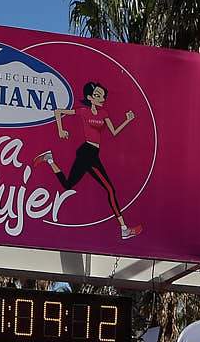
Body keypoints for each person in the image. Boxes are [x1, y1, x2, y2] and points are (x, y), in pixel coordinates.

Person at [43, 81, 141, 240]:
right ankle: (123, 228)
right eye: (97, 95)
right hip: (87, 152)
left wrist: (127, 120)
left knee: (67, 185)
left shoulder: (104, 114)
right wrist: (61, 130)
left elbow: (114, 132)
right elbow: (58, 112)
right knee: (110, 189)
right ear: (89, 97)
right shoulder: (83, 111)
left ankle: (49, 160)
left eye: (103, 95)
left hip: (93, 153)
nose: (101, 98)